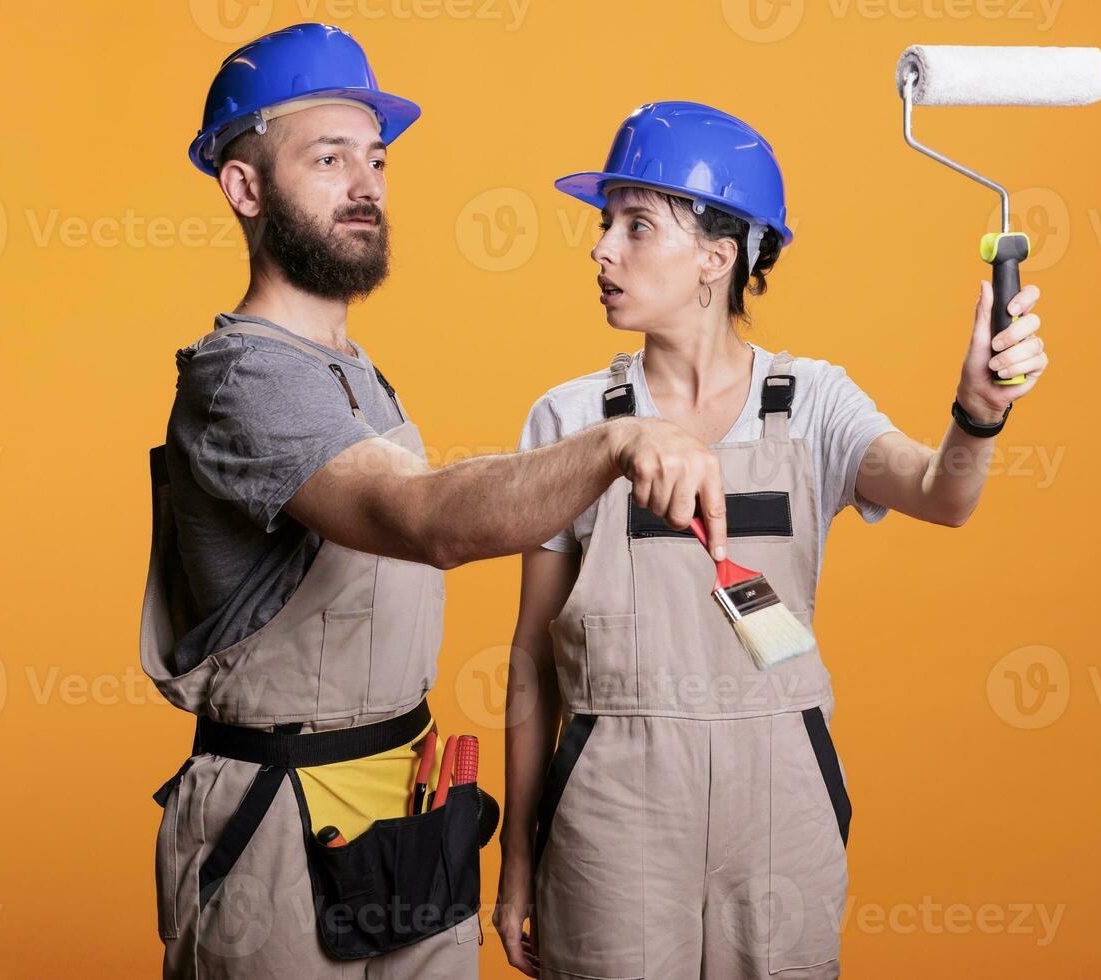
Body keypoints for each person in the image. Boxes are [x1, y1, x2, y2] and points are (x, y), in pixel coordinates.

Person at [141, 32, 732, 980]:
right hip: (279, 829)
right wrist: (620, 441)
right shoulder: (240, 375)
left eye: (374, 159)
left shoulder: (356, 376)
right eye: (327, 158)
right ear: (245, 188)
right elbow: (419, 518)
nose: (365, 183)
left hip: (405, 809)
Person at [493, 101, 1047, 979]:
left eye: (638, 226)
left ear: (719, 257)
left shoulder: (815, 403)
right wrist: (517, 856)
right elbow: (531, 656)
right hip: (612, 808)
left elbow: (942, 496)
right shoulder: (567, 422)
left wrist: (977, 414)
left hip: (779, 800)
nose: (602, 250)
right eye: (605, 226)